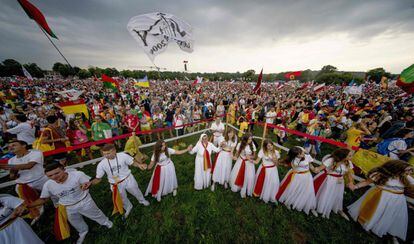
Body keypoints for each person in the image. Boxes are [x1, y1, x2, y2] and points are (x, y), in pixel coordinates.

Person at [27, 162, 113, 244]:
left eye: (57, 173)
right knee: (75, 222)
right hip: (67, 207)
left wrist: (89, 183)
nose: (54, 177)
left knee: (95, 214)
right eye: (50, 175)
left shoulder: (77, 175)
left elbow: (93, 181)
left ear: (64, 169)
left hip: (84, 201)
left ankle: (107, 223)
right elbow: (43, 199)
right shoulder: (48, 185)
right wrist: (28, 206)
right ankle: (83, 232)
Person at [347, 160, 414, 243]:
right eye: (408, 170)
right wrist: (355, 186)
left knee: (389, 215)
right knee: (375, 212)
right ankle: (366, 225)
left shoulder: (406, 177)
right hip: (381, 197)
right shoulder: (381, 175)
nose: (410, 172)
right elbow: (366, 182)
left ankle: (385, 230)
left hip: (398, 200)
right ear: (397, 168)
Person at [84, 144, 149, 218]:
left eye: (108, 153)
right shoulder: (101, 164)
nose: (106, 156)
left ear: (114, 151)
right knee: (122, 197)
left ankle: (142, 200)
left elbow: (133, 162)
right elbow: (98, 178)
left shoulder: (123, 156)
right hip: (115, 184)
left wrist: (139, 165)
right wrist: (91, 183)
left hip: (127, 179)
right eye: (104, 154)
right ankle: (128, 207)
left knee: (135, 190)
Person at [0, 140, 47, 222]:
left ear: (24, 145)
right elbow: (12, 176)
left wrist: (7, 166)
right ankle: (35, 214)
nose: (10, 147)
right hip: (23, 185)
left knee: (53, 196)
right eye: (9, 146)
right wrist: (14, 174)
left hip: (40, 180)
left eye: (14, 145)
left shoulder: (36, 153)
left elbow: (29, 166)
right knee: (26, 199)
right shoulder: (11, 160)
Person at [313, 148, 355, 219]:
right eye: (350, 156)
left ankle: (334, 207)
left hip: (339, 181)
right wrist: (314, 168)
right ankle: (314, 206)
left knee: (336, 194)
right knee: (324, 193)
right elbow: (319, 168)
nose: (351, 157)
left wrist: (351, 182)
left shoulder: (348, 162)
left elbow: (349, 173)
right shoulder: (331, 160)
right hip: (328, 179)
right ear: (343, 156)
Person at [276, 146, 318, 216]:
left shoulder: (307, 156)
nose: (302, 155)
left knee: (307, 190)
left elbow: (310, 165)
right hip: (297, 176)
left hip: (307, 176)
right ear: (295, 155)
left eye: (301, 153)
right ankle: (289, 202)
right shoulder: (294, 160)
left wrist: (314, 169)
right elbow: (294, 168)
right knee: (294, 189)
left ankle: (308, 205)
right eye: (299, 154)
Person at [253, 139, 280, 203]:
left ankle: (269, 194)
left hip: (273, 170)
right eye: (268, 146)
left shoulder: (276, 152)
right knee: (263, 181)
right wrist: (250, 160)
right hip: (264, 169)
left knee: (272, 182)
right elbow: (257, 162)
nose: (270, 147)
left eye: (271, 145)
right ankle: (259, 192)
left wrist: (274, 159)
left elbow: (277, 164)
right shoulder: (262, 151)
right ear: (265, 147)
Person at [229, 133, 257, 198]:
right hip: (240, 161)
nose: (251, 140)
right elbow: (237, 154)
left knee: (248, 176)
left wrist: (250, 157)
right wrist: (234, 157)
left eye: (251, 139)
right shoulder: (240, 144)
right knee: (238, 174)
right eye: (249, 139)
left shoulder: (252, 145)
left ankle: (245, 189)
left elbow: (254, 155)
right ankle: (237, 186)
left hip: (249, 163)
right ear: (245, 139)